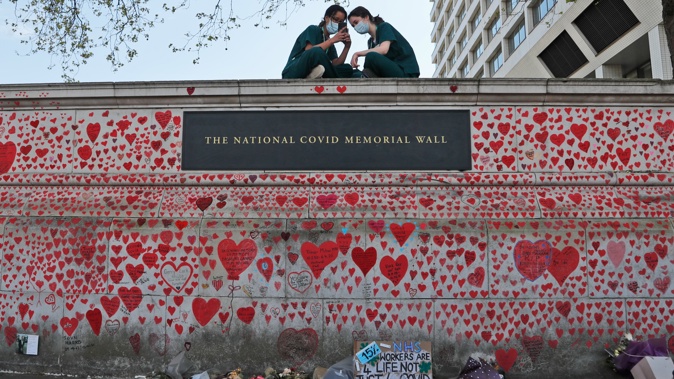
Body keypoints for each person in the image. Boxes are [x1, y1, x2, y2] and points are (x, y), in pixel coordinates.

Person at [282, 5, 354, 79]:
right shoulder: (313, 29)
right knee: (316, 51)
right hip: (294, 70)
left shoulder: (329, 42)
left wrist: (347, 46)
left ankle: (313, 74)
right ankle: (330, 78)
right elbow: (309, 50)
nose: (338, 24)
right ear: (326, 18)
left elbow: (335, 63)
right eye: (336, 19)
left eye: (341, 22)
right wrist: (332, 40)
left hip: (317, 69)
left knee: (347, 68)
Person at [347, 6, 420, 78]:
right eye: (353, 26)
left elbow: (384, 49)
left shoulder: (384, 27)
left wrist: (358, 53)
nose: (356, 27)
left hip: (404, 72)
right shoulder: (370, 42)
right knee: (354, 73)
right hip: (388, 73)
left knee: (371, 56)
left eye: (356, 22)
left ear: (366, 17)